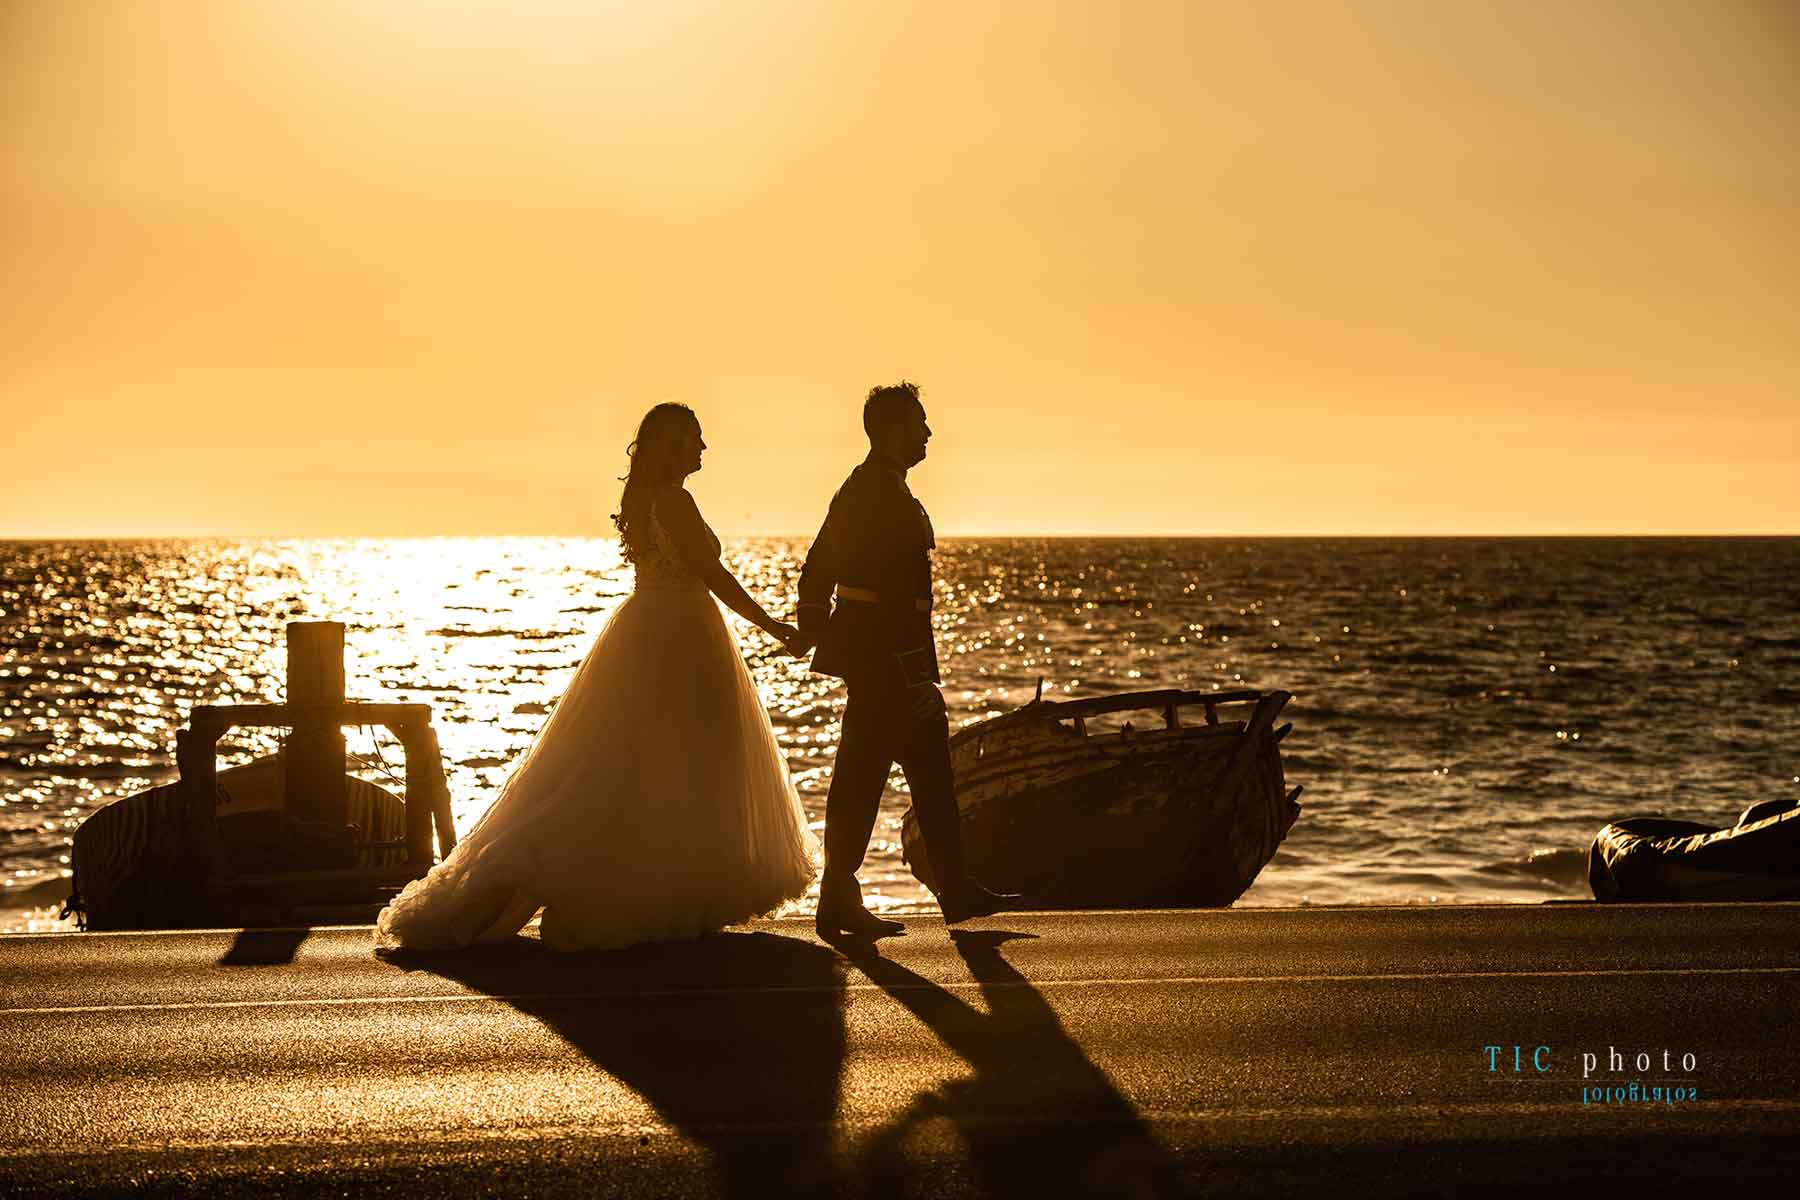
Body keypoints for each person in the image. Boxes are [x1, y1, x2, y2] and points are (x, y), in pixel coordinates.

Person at [375, 403, 818, 952]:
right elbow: (711, 573)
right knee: (679, 764)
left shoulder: (647, 499)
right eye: (695, 439)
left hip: (653, 627)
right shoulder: (674, 500)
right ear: (673, 446)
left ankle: (665, 892)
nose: (704, 448)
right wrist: (773, 626)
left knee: (639, 766)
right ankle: (655, 893)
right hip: (680, 635)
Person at [798, 381, 1017, 938]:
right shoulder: (875, 492)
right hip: (888, 664)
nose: (928, 433)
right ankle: (850, 896)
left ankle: (946, 888)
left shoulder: (874, 487)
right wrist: (909, 672)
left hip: (881, 660)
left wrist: (819, 630)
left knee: (909, 773)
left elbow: (818, 573)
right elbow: (869, 589)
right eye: (919, 423)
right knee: (868, 779)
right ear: (895, 430)